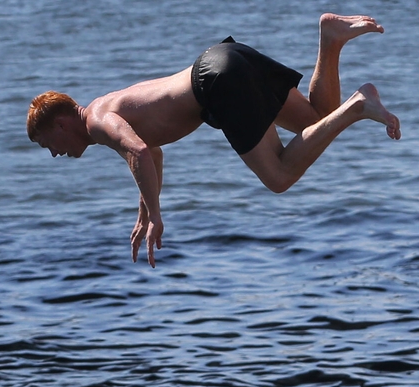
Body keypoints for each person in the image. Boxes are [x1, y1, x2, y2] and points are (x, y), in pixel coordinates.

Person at [26, 13, 401, 268]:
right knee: (319, 120)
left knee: (279, 176)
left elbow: (137, 151)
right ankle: (330, 39)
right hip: (227, 56)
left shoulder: (96, 122)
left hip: (216, 83)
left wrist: (156, 217)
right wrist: (145, 209)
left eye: (47, 144)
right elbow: (151, 152)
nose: (55, 154)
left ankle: (358, 106)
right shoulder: (105, 105)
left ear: (60, 124)